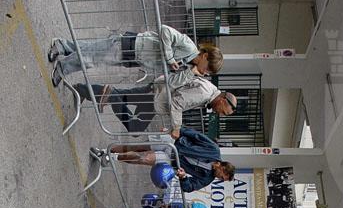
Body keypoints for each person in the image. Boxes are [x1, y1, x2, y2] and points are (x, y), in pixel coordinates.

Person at [49, 25, 223, 85]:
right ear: (205, 56)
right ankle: (63, 68)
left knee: (93, 50)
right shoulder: (189, 46)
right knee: (92, 58)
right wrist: (170, 58)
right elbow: (165, 31)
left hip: (136, 58)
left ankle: (62, 46)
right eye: (208, 68)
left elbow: (172, 82)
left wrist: (190, 73)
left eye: (209, 72)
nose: (206, 72)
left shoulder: (188, 67)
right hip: (135, 46)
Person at [73, 80, 237, 137]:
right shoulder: (204, 93)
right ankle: (109, 95)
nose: (219, 114)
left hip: (157, 93)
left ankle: (81, 90)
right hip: (156, 98)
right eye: (223, 111)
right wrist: (176, 127)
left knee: (122, 95)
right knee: (135, 128)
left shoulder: (209, 92)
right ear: (223, 100)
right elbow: (177, 103)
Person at [107, 126, 236, 193]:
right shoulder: (213, 149)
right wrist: (174, 130)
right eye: (222, 177)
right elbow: (195, 135)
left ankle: (113, 158)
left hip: (172, 161)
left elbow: (190, 187)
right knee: (138, 146)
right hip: (174, 143)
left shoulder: (207, 178)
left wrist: (184, 178)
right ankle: (107, 150)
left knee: (144, 158)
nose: (219, 178)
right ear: (223, 167)